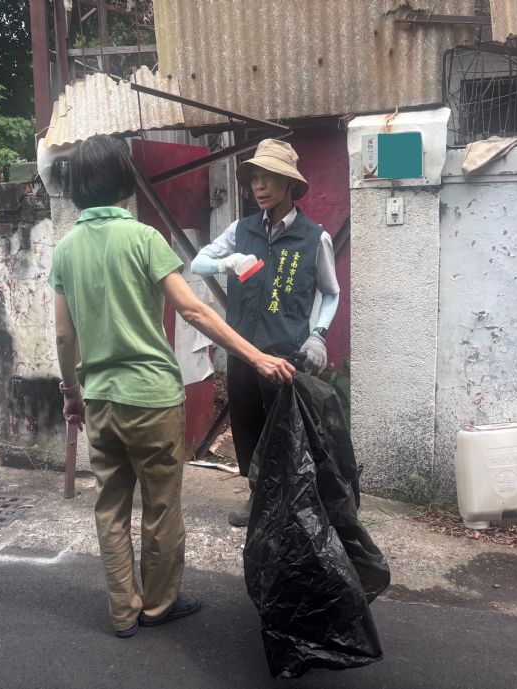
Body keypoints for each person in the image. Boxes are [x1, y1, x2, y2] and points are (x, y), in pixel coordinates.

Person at [48, 135, 295, 638]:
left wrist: (72, 394)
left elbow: (64, 335)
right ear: (124, 181)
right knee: (161, 508)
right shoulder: (144, 239)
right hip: (152, 400)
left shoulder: (65, 250)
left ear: (76, 188)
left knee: (110, 507)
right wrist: (256, 356)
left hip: (100, 399)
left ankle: (123, 611)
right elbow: (194, 310)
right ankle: (159, 606)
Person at [191, 138, 340, 527]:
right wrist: (226, 264)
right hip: (241, 350)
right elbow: (198, 262)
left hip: (284, 356)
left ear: (289, 182)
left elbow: (331, 292)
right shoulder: (241, 230)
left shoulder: (315, 238)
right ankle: (258, 497)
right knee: (247, 426)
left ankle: (290, 503)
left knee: (285, 432)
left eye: (269, 177)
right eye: (255, 177)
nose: (259, 185)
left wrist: (318, 334)